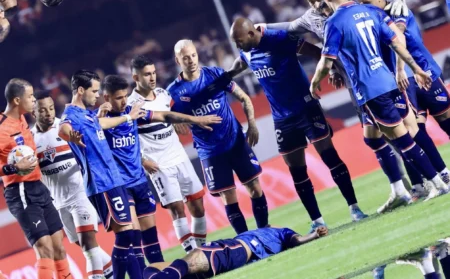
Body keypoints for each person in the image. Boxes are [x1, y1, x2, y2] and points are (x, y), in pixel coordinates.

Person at [256, 0, 418, 213]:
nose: (315, 3)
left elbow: (376, 4)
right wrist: (262, 28)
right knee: (378, 136)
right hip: (356, 85)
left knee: (403, 128)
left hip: (381, 73)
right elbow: (291, 27)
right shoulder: (311, 18)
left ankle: (425, 181)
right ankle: (403, 188)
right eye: (310, 1)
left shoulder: (349, 6)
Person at [228, 17, 367, 231]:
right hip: (282, 119)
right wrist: (221, 78)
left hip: (306, 107)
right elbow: (239, 64)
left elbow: (315, 51)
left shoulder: (279, 38)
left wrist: (330, 69)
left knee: (330, 157)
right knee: (297, 171)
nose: (237, 46)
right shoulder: (246, 51)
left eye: (239, 41)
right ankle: (317, 221)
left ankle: (355, 208)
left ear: (250, 33)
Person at [309, 0, 448, 205]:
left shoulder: (335, 21)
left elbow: (325, 61)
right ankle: (424, 182)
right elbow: (396, 40)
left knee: (404, 139)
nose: (317, 4)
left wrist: (314, 84)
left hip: (370, 89)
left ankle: (437, 182)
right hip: (390, 79)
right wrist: (412, 68)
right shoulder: (370, 11)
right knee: (397, 133)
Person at [98, 75, 221, 269]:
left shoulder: (133, 111)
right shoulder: (101, 121)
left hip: (139, 181)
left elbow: (164, 115)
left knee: (150, 233)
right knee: (132, 235)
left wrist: (195, 119)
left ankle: (157, 273)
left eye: (125, 96)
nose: (124, 101)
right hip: (119, 185)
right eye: (119, 98)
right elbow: (97, 131)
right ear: (106, 98)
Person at [167, 40, 269, 235]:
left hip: (236, 141)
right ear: (177, 60)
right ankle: (246, 240)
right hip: (210, 152)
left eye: (193, 55)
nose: (191, 61)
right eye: (185, 57)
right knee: (229, 196)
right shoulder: (174, 92)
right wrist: (173, 121)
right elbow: (162, 115)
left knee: (255, 187)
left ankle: (265, 231)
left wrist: (252, 124)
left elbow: (244, 97)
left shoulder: (214, 74)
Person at [360, 0, 450, 203]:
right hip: (402, 79)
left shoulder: (397, 7)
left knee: (445, 119)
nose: (365, 3)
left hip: (424, 69)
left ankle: (430, 180)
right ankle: (437, 177)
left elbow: (399, 36)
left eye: (367, 0)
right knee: (414, 129)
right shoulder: (366, 16)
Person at [58, 70, 146, 279]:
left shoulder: (90, 114)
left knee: (131, 235)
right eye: (94, 91)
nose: (97, 95)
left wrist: (127, 117)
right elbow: (63, 130)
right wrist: (71, 136)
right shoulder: (71, 115)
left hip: (114, 180)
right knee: (125, 236)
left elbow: (101, 125)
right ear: (80, 90)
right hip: (101, 183)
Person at [128, 55, 208, 253]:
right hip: (159, 164)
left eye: (154, 73)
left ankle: (202, 250)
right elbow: (125, 141)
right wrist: (142, 161)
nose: (153, 77)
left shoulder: (163, 94)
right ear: (136, 77)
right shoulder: (131, 106)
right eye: (147, 74)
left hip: (179, 156)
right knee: (177, 210)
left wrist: (178, 120)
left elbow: (172, 113)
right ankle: (192, 254)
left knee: (198, 206)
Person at [31, 90, 113, 279]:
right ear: (34, 113)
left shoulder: (67, 127)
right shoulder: (30, 139)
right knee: (84, 245)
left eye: (51, 108)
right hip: (58, 202)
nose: (48, 113)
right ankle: (113, 270)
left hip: (81, 194)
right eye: (42, 110)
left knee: (88, 244)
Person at [0, 79, 72, 279]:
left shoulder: (23, 119)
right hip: (20, 191)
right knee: (45, 248)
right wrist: (14, 167)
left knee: (59, 247)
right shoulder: (1, 128)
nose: (33, 100)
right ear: (16, 100)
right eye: (30, 97)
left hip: (39, 187)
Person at [143, 226, 328, 278]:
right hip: (236, 244)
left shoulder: (281, 232)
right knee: (152, 268)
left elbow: (296, 240)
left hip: (242, 248)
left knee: (197, 258)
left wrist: (312, 236)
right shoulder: (265, 230)